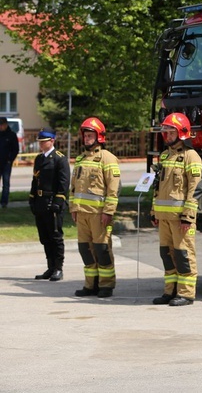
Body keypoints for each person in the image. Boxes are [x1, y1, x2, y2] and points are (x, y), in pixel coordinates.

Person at [150, 113, 202, 306]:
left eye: (171, 132)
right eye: (165, 132)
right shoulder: (164, 156)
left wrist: (188, 217)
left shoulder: (191, 157)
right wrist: (154, 211)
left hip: (181, 218)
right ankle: (169, 291)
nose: (167, 135)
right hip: (164, 217)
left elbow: (195, 189)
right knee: (167, 254)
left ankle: (186, 293)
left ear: (181, 133)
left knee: (184, 255)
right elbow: (158, 187)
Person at [70, 117, 121, 298]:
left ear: (99, 137)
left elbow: (113, 189)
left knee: (102, 249)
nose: (87, 138)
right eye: (85, 135)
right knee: (86, 250)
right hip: (82, 214)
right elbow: (74, 187)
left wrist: (108, 211)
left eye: (90, 135)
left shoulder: (107, 158)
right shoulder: (81, 159)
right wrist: (73, 208)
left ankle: (106, 285)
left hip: (99, 215)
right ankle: (90, 285)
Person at [29, 127, 70, 282]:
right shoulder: (39, 159)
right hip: (40, 202)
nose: (41, 144)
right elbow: (35, 180)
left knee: (55, 236)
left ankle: (58, 268)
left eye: (44, 141)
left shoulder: (60, 159)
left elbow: (64, 183)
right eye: (40, 141)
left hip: (53, 202)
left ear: (52, 141)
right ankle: (50, 266)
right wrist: (32, 198)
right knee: (44, 237)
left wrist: (58, 202)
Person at [0, 116, 19, 208]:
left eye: (2, 125)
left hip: (6, 163)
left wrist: (10, 159)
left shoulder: (11, 135)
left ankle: (4, 202)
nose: (1, 127)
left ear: (6, 125)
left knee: (6, 183)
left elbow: (15, 149)